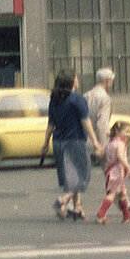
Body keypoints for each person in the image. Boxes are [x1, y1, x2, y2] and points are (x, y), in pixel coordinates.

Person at [47, 70, 100, 220]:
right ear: (71, 82)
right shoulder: (78, 99)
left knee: (70, 175)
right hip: (75, 140)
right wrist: (95, 141)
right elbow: (85, 121)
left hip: (58, 141)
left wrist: (45, 143)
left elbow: (51, 123)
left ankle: (77, 207)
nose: (78, 80)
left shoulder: (54, 99)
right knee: (83, 174)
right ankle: (62, 200)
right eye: (76, 78)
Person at [94, 120, 130, 224]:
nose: (128, 134)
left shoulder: (110, 143)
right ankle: (101, 213)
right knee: (113, 193)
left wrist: (97, 151)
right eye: (126, 131)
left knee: (122, 193)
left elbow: (102, 155)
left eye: (129, 132)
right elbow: (120, 157)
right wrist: (129, 167)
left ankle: (126, 215)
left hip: (110, 171)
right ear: (118, 132)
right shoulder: (121, 144)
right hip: (117, 171)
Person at [86, 67, 115, 158]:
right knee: (108, 169)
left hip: (85, 139)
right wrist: (102, 147)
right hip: (98, 140)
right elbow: (102, 124)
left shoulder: (86, 95)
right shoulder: (105, 98)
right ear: (108, 80)